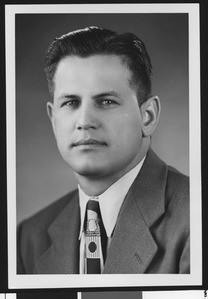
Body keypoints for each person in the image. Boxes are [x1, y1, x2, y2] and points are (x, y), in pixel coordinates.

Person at [17, 26, 189, 274]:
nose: (85, 121)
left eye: (106, 101)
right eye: (71, 103)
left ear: (147, 116)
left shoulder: (195, 219)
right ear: (54, 120)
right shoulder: (29, 238)